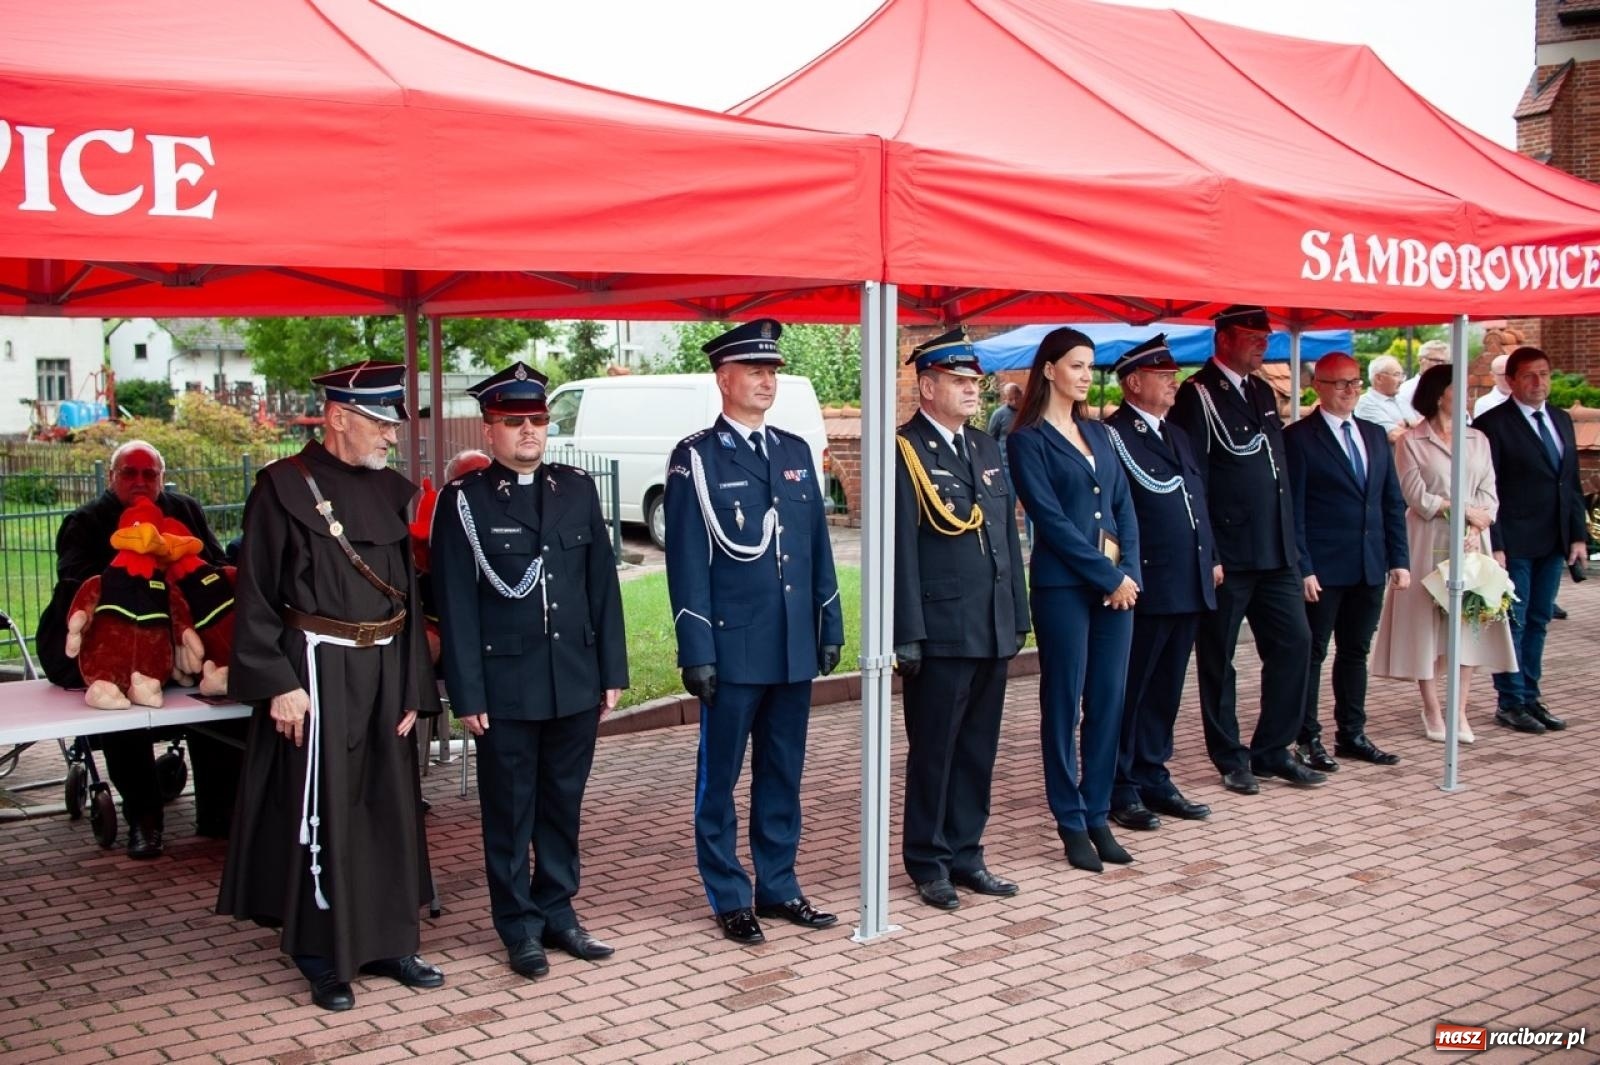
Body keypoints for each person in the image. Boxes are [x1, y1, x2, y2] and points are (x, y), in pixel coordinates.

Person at [217, 360, 443, 1012]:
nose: (390, 436)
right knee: (322, 810)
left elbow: (407, 598)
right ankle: (323, 954)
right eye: (379, 422)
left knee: (387, 805)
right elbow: (255, 594)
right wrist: (278, 682)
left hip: (383, 670)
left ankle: (389, 941)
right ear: (338, 416)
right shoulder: (282, 488)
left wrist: (411, 687)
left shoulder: (390, 491)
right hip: (314, 672)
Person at [433, 363, 627, 980]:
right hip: (506, 686)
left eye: (537, 420)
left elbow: (602, 587)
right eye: (513, 421)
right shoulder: (464, 502)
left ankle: (558, 911)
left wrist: (612, 670)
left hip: (573, 676)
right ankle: (517, 925)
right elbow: (456, 605)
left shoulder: (575, 489)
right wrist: (466, 691)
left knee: (562, 804)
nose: (528, 432)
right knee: (510, 812)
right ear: (489, 430)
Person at [663, 318, 844, 945]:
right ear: (724, 379)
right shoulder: (697, 457)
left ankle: (779, 885)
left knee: (782, 772)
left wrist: (830, 620)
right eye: (756, 370)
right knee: (720, 778)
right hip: (733, 645)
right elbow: (686, 561)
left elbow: (817, 545)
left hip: (792, 644)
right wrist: (697, 649)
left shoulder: (794, 451)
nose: (769, 380)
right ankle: (728, 894)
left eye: (773, 370)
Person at [37, 439, 241, 859]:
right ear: (112, 477)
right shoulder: (87, 521)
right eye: (129, 472)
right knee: (124, 719)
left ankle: (221, 813)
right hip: (121, 648)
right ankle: (145, 821)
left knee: (224, 705)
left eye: (149, 473)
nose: (140, 481)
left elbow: (215, 565)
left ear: (162, 478)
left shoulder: (185, 510)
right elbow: (76, 581)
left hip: (185, 643)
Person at [892, 328, 1030, 910]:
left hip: (992, 623)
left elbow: (1004, 535)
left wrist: (1018, 614)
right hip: (943, 629)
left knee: (978, 749)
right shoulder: (904, 450)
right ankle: (928, 860)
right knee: (936, 750)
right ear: (928, 386)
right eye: (960, 381)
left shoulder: (984, 446)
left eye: (975, 381)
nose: (974, 389)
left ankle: (967, 851)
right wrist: (907, 633)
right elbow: (897, 549)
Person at [1169, 306, 1323, 794]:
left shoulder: (1259, 391)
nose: (1264, 344)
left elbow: (1278, 478)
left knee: (1296, 643)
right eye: (1255, 336)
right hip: (1230, 552)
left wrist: (1295, 551)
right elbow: (1196, 479)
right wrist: (1208, 551)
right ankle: (1230, 755)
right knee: (1219, 658)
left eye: (1267, 336)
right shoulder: (1198, 396)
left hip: (1275, 550)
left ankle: (1272, 749)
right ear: (1226, 338)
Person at [1006, 327, 1139, 873]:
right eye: (1077, 366)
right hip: (1065, 587)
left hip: (1116, 589)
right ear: (1050, 371)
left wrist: (1127, 570)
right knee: (1063, 704)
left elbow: (1124, 505)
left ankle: (1097, 812)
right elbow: (1051, 521)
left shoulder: (1101, 434)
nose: (1086, 375)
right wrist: (1105, 575)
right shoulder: (1027, 439)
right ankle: (1068, 817)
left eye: (1090, 366)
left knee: (1107, 701)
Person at [1102, 336, 1218, 831]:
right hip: (1147, 582)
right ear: (1133, 383)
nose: (1173, 382)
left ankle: (1153, 773)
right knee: (1134, 688)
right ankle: (1120, 784)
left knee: (1167, 687)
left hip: (1188, 579)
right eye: (1162, 375)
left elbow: (1197, 499)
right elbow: (1111, 513)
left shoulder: (1178, 434)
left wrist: (1210, 556)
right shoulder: (1113, 436)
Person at [1371, 365, 1515, 741]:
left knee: (1467, 624)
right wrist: (1461, 511)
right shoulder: (1410, 442)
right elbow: (1416, 496)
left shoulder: (1478, 439)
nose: (1466, 394)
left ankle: (1460, 711)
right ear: (1438, 394)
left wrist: (1476, 523)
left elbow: (1489, 494)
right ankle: (1432, 710)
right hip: (1426, 540)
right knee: (1426, 626)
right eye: (1458, 387)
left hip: (1471, 542)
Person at [1284, 353, 1410, 771]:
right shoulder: (1300, 437)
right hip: (1322, 567)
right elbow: (1293, 510)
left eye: (1355, 382)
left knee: (1355, 651)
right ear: (1317, 386)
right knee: (1313, 652)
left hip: (1369, 564)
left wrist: (1399, 558)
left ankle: (1351, 734)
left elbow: (1391, 500)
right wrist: (1303, 566)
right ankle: (1307, 737)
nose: (1349, 390)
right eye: (1340, 383)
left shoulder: (1374, 434)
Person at [1474, 346, 1587, 734]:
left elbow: (1568, 481)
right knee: (1514, 622)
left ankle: (1531, 695)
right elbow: (1488, 488)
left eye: (1544, 374)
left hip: (1554, 538)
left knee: (1539, 619)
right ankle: (1510, 700)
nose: (1539, 382)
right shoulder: (1493, 424)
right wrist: (1497, 541)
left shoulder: (1560, 419)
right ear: (1511, 381)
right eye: (1529, 376)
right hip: (1515, 540)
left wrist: (1577, 535)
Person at [987, 380, 1031, 544]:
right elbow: (991, 438)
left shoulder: (1028, 412)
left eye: (1014, 398)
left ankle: (1032, 539)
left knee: (1031, 505)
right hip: (1006, 467)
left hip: (1026, 467)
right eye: (1008, 399)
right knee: (1007, 505)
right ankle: (1006, 541)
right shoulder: (999, 414)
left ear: (1021, 395)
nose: (1012, 402)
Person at [1352, 355, 1417, 442]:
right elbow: (1395, 436)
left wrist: (1407, 424)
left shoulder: (1401, 399)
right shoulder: (1365, 403)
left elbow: (1420, 426)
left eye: (1402, 375)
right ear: (1379, 378)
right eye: (1397, 375)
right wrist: (1414, 427)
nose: (1401, 380)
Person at [1396, 339, 1452, 419]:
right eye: (1436, 360)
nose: (1440, 365)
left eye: (1444, 362)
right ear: (1420, 360)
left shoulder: (1451, 389)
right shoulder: (1407, 390)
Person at [1473, 353, 1511, 420]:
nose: (1509, 378)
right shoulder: (1484, 404)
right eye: (1504, 374)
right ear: (1492, 376)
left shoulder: (1528, 399)